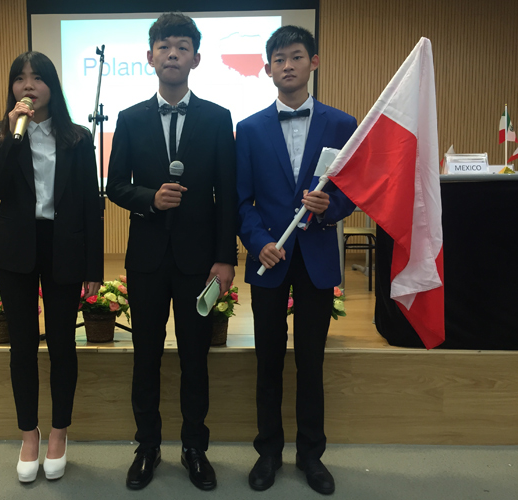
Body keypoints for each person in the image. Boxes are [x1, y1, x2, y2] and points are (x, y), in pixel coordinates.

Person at [106, 12, 237, 492]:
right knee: (146, 356)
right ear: (150, 57)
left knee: (195, 358)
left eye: (182, 47)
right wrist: (150, 199)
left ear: (196, 59)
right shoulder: (129, 118)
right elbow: (115, 185)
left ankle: (194, 447)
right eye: (164, 47)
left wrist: (226, 258)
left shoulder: (218, 118)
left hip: (199, 261)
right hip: (146, 259)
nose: (173, 54)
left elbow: (227, 193)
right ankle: (148, 446)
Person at [236, 26, 357, 495]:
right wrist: (258, 241)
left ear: (314, 62)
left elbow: (351, 191)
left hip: (316, 259)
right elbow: (241, 201)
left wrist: (331, 208)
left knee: (311, 361)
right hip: (269, 259)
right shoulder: (248, 129)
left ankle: (311, 455)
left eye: (297, 56)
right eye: (279, 59)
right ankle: (268, 451)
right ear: (267, 68)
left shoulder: (342, 124)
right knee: (267, 361)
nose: (287, 65)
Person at [0, 51, 102, 483]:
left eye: (37, 77)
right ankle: (28, 434)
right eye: (20, 78)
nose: (28, 85)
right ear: (12, 87)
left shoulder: (77, 137)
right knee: (23, 346)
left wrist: (93, 267)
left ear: (52, 85)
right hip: (16, 248)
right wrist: (14, 136)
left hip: (63, 247)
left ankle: (58, 432)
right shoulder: (1, 132)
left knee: (63, 345)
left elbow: (90, 204)